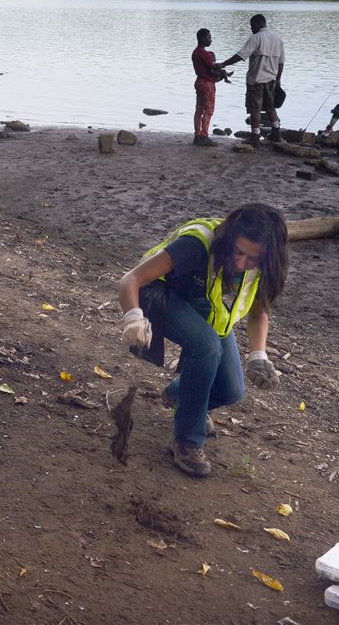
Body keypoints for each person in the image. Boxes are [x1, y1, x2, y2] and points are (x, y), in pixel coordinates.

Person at [117, 204, 289, 477]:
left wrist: (258, 355)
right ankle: (186, 441)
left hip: (200, 301)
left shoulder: (266, 264)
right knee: (206, 347)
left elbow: (258, 312)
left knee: (232, 389)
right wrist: (133, 317)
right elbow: (132, 279)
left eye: (252, 259)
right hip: (155, 294)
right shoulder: (198, 244)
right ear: (229, 239)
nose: (242, 264)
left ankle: (179, 394)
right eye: (238, 252)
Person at [218, 15, 285, 147]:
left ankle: (255, 136)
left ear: (258, 23)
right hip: (272, 80)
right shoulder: (278, 39)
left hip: (256, 80)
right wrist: (278, 80)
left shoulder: (256, 38)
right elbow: (281, 63)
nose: (250, 28)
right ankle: (276, 133)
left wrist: (224, 64)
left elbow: (241, 55)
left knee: (255, 109)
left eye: (252, 25)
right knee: (271, 107)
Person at [190, 28, 232, 147]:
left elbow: (207, 69)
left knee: (199, 110)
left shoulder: (195, 52)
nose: (211, 40)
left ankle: (197, 135)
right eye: (209, 38)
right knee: (208, 110)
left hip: (199, 82)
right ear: (203, 38)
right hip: (207, 84)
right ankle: (204, 136)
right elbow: (212, 70)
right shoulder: (204, 53)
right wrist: (222, 74)